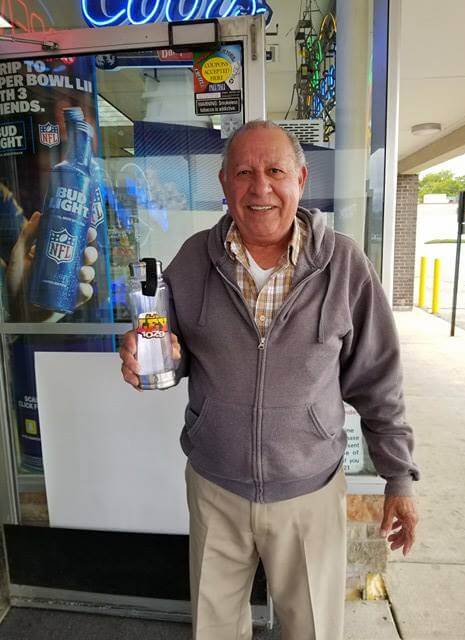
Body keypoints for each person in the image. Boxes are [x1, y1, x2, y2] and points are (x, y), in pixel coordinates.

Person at [120, 120, 419, 640]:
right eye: (244, 173)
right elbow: (172, 349)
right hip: (215, 489)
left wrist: (399, 478)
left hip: (310, 492)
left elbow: (378, 380)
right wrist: (149, 355)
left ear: (300, 179)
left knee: (312, 630)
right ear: (224, 183)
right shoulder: (193, 260)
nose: (260, 188)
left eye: (275, 171)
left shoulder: (344, 265)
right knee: (213, 630)